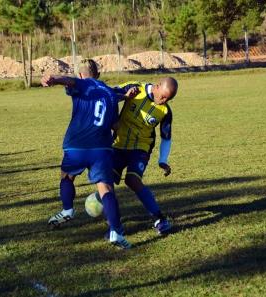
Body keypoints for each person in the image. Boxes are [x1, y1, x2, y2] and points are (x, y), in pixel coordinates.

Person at [41, 59, 135, 249]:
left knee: (67, 177)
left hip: (76, 146)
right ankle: (116, 232)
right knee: (106, 190)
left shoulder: (83, 84)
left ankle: (67, 210)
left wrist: (54, 79)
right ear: (98, 75)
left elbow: (71, 82)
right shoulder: (109, 94)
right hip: (102, 149)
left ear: (82, 74)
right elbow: (115, 125)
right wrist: (125, 97)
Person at [112, 77, 178, 235]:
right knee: (106, 181)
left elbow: (166, 137)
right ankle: (114, 226)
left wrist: (163, 160)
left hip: (140, 148)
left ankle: (160, 219)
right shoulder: (136, 88)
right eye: (162, 96)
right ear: (156, 86)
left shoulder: (165, 111)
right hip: (118, 145)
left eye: (168, 99)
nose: (163, 101)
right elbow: (109, 94)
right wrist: (124, 97)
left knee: (132, 180)